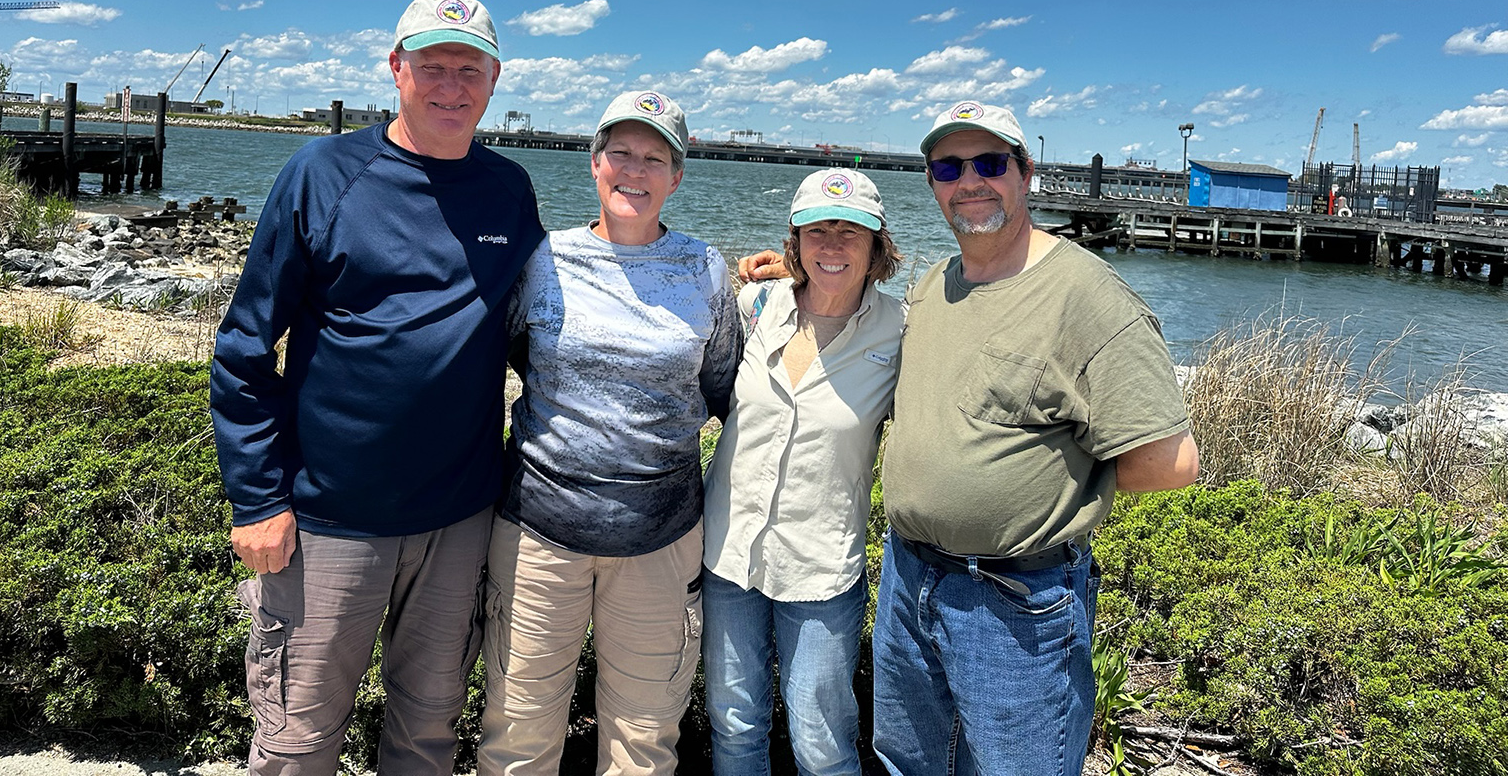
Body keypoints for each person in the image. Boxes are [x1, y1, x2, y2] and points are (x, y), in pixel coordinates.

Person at [741, 101, 1198, 776]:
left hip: (1016, 600)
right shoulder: (934, 287)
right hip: (908, 578)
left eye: (989, 163)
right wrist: (796, 280)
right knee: (905, 763)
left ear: (1026, 174)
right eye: (950, 167)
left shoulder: (1087, 295)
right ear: (931, 183)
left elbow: (1171, 461)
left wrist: (1052, 489)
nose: (970, 181)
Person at [210, 0, 544, 775]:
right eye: (432, 66)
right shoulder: (322, 173)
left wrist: (746, 290)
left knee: (427, 737)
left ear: (495, 80)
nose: (451, 86)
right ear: (396, 69)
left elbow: (545, 324)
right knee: (297, 740)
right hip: (328, 517)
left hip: (459, 518)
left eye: (470, 69)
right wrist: (257, 499)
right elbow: (244, 348)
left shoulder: (509, 189)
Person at [477, 91, 742, 776]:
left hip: (662, 542)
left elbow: (721, 388)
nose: (636, 169)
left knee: (645, 744)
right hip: (538, 535)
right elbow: (514, 356)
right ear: (594, 163)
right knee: (517, 736)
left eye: (655, 157)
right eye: (621, 152)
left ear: (677, 176)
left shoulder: (706, 270)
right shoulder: (544, 260)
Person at [700, 168, 904, 776]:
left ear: (877, 246)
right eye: (818, 230)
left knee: (822, 742)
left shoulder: (900, 330)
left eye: (851, 231)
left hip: (822, 564)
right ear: (795, 242)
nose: (833, 245)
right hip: (729, 552)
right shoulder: (754, 304)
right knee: (735, 725)